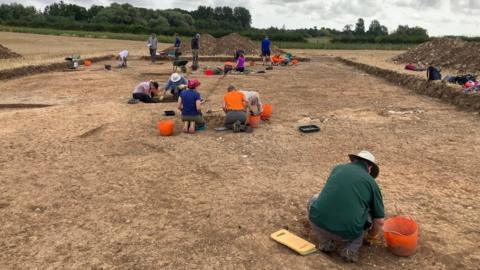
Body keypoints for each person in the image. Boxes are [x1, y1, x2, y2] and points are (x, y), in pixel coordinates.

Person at [307, 150, 385, 263]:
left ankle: (326, 243)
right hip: (346, 232)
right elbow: (380, 221)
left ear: (354, 160)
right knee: (368, 216)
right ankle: (350, 251)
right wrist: (371, 236)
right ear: (370, 168)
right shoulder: (372, 184)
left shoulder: (337, 168)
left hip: (316, 222)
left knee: (314, 199)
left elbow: (331, 194)